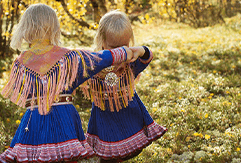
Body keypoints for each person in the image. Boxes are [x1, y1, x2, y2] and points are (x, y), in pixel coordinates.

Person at [0, 4, 145, 163]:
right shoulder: (68, 58)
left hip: (33, 118)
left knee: (36, 157)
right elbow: (98, 59)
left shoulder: (20, 63)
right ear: (54, 28)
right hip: (63, 117)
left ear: (25, 29)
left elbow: (23, 92)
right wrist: (123, 51)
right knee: (66, 157)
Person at [81, 10, 168, 162]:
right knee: (108, 156)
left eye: (124, 45)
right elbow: (76, 66)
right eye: (114, 47)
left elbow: (148, 56)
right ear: (101, 41)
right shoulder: (94, 64)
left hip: (129, 117)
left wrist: (140, 50)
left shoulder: (130, 64)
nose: (120, 51)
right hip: (104, 119)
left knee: (128, 151)